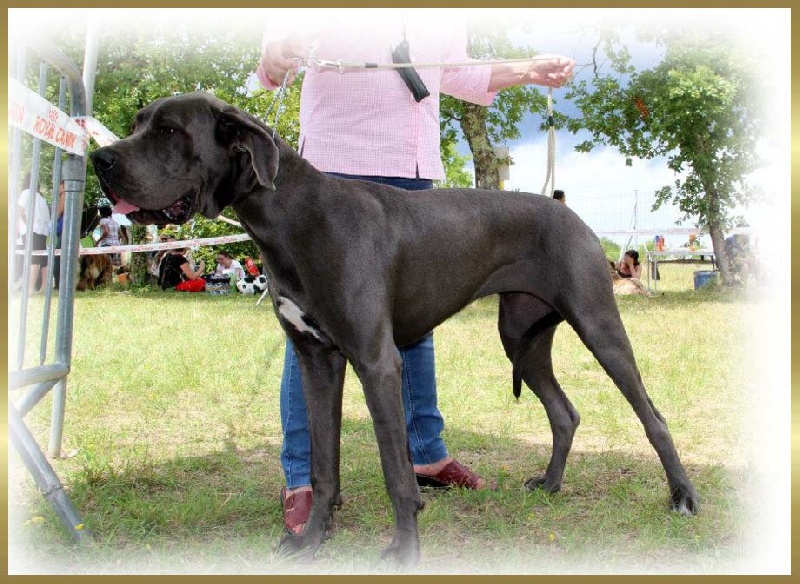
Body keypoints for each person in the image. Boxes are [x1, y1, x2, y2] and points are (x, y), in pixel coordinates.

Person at [258, 14, 575, 534]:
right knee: (313, 331)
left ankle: (425, 454)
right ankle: (304, 479)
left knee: (413, 324)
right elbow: (274, 56)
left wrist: (528, 70)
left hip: (410, 168)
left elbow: (456, 72)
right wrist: (276, 55)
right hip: (334, 167)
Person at [16, 172, 51, 293]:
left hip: (31, 230)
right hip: (43, 231)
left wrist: (25, 221)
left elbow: (19, 209)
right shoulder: (41, 197)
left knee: (33, 258)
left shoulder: (26, 193)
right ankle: (44, 286)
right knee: (43, 258)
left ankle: (30, 288)